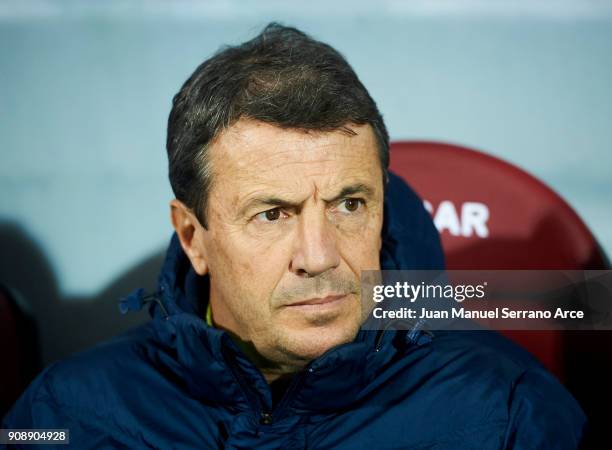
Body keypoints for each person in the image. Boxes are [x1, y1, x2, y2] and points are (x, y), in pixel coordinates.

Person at [3, 23, 586, 449]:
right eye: (272, 214)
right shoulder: (64, 415)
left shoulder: (512, 410)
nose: (319, 255)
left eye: (350, 205)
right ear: (192, 236)